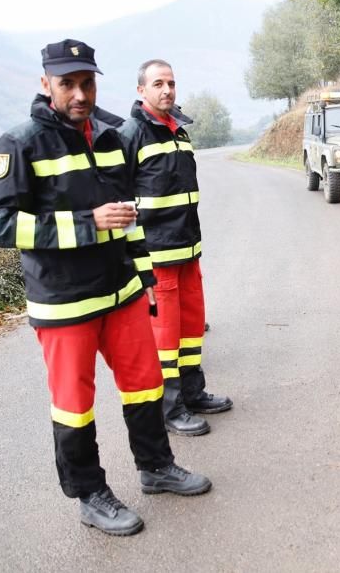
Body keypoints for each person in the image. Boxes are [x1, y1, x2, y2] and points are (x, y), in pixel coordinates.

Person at [0, 40, 211, 537]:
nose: (79, 93)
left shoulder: (109, 137)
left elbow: (127, 217)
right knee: (74, 404)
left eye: (87, 82)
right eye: (67, 83)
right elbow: (0, 226)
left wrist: (146, 277)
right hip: (64, 303)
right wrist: (87, 222)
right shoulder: (19, 143)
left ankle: (156, 468)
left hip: (122, 291)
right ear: (47, 85)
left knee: (147, 384)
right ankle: (90, 495)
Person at [119, 59, 232, 438]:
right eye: (158, 84)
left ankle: (193, 393)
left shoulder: (179, 131)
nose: (166, 90)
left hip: (188, 251)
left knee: (189, 330)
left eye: (170, 83)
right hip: (157, 256)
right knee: (164, 337)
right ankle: (170, 408)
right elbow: (118, 199)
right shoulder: (131, 134)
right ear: (141, 90)